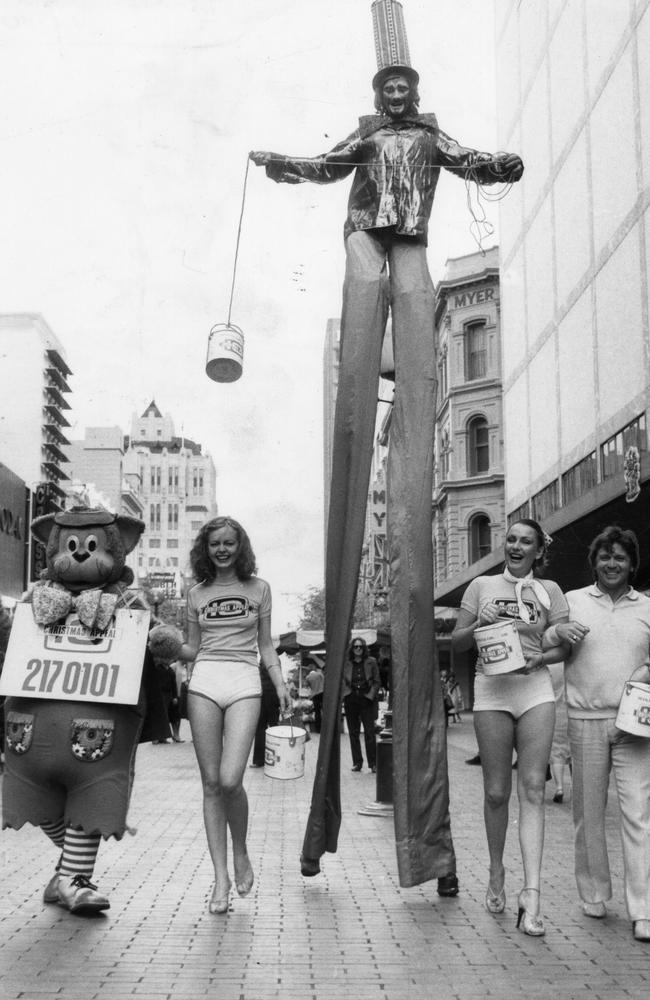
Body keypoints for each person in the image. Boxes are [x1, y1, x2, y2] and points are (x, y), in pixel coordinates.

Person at [250, 5, 523, 889]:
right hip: (369, 243)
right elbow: (323, 163)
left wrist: (503, 165)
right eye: (389, 85)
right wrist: (280, 165)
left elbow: (478, 159)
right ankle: (348, 837)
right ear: (379, 93)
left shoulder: (430, 136)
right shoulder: (369, 141)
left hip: (413, 250)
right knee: (366, 329)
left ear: (417, 90)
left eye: (406, 84)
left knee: (410, 327)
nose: (398, 89)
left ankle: (430, 852)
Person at [452, 519, 569, 936]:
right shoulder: (481, 586)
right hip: (492, 691)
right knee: (497, 792)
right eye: (512, 539)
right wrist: (478, 624)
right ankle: (496, 868)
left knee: (533, 789)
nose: (517, 546)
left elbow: (562, 644)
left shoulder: (549, 591)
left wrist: (544, 657)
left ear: (539, 550)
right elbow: (457, 643)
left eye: (527, 542)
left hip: (534, 689)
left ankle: (532, 896)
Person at [179, 516, 291, 914]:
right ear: (205, 550)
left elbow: (265, 645)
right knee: (211, 783)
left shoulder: (259, 589)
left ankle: (240, 850)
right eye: (214, 545)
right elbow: (192, 648)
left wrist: (279, 684)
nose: (222, 550)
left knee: (230, 780)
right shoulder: (195, 593)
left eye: (228, 543)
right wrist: (167, 645)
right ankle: (221, 877)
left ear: (239, 547)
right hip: (205, 679)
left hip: (245, 679)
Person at [543, 526, 650, 942]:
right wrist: (559, 632)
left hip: (635, 726)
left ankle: (643, 909)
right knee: (587, 813)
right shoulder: (572, 602)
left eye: (620, 557)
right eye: (605, 556)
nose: (612, 564)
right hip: (584, 720)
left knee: (638, 813)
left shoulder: (646, 606)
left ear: (631, 564)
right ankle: (593, 894)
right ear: (595, 562)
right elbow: (549, 636)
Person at [343, 638, 381, 773]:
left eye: (360, 647)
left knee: (370, 732)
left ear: (364, 648)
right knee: (353, 733)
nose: (358, 649)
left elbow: (377, 681)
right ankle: (357, 763)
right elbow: (342, 681)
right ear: (352, 649)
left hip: (367, 699)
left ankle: (373, 763)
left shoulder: (371, 662)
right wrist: (346, 694)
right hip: (351, 699)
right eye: (355, 647)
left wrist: (370, 695)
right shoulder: (346, 663)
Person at [250, 663, 281, 768]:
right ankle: (274, 758)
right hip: (269, 695)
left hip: (266, 695)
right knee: (272, 727)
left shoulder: (268, 659)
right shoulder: (272, 659)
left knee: (263, 728)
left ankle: (261, 760)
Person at [548, 662, 570, 803]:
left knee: (557, 752)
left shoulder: (548, 667)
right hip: (572, 710)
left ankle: (559, 787)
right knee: (575, 752)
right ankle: (578, 788)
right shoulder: (569, 664)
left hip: (554, 711)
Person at [305, 657, 325, 734]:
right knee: (324, 711)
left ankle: (318, 729)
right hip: (322, 694)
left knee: (317, 712)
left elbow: (307, 686)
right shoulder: (320, 674)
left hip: (315, 696)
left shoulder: (308, 677)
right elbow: (324, 682)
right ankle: (326, 728)